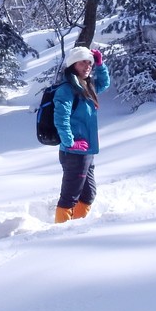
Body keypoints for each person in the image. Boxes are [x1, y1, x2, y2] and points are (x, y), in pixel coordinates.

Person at [53, 45, 111, 223]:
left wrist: (100, 65)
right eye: (82, 63)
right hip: (73, 152)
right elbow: (61, 119)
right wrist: (70, 142)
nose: (87, 66)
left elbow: (103, 83)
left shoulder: (87, 85)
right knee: (70, 196)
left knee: (88, 194)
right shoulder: (67, 89)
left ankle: (76, 228)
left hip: (86, 151)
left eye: (89, 63)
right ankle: (59, 233)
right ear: (73, 65)